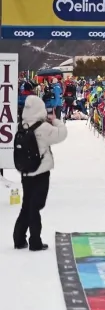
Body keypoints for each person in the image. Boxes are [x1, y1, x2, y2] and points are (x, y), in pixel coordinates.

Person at [13, 95, 68, 251]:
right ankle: (35, 242)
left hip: (25, 172)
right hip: (41, 171)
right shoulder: (43, 127)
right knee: (35, 206)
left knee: (27, 204)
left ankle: (19, 239)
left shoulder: (21, 125)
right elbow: (62, 134)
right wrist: (55, 120)